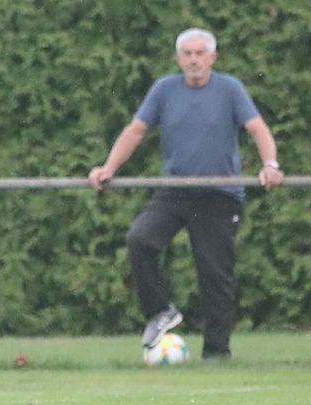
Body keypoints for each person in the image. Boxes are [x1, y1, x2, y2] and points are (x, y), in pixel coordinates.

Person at [88, 28, 284, 358]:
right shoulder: (165, 89)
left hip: (219, 194)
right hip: (175, 191)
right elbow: (136, 130)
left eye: (200, 53)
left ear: (212, 58)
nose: (194, 60)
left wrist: (271, 164)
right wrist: (109, 167)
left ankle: (217, 354)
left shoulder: (230, 89)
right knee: (140, 240)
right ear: (179, 58)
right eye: (188, 54)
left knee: (214, 273)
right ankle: (160, 310)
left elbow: (257, 128)